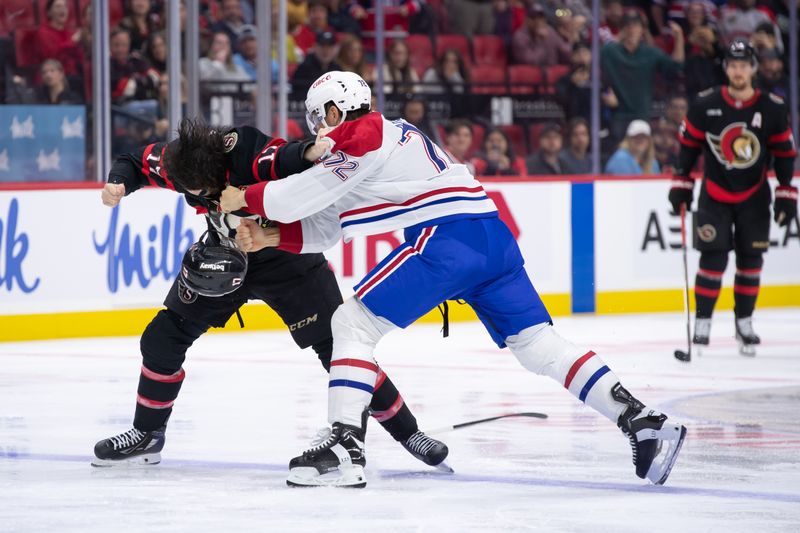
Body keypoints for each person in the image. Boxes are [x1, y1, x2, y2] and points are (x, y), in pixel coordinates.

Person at [218, 71, 687, 488]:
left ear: (337, 108)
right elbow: (328, 220)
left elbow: (298, 194)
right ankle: (639, 419)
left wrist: (244, 196)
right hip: (490, 237)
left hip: (448, 239)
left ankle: (344, 447)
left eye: (319, 118)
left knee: (352, 325)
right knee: (537, 344)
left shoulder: (365, 130)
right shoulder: (375, 146)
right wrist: (270, 237)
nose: (317, 131)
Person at [91, 119, 449, 469]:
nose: (204, 198)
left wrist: (311, 150)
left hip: (287, 257)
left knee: (339, 349)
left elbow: (283, 157)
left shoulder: (244, 150)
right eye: (196, 194)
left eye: (207, 190)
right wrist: (117, 185)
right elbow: (134, 161)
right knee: (162, 339)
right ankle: (146, 434)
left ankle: (410, 434)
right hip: (223, 257)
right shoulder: (177, 161)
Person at [668, 39, 797, 356]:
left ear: (752, 69)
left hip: (754, 197)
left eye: (744, 65)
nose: (738, 71)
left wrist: (786, 191)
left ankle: (744, 322)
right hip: (715, 194)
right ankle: (702, 323)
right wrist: (681, 183)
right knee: (712, 258)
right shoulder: (704, 104)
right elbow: (688, 148)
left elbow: (784, 153)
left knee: (751, 261)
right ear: (726, 69)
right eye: (733, 66)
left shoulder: (773, 108)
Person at [600, 10, 685, 142]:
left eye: (636, 26)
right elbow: (595, 66)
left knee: (641, 155)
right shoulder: (610, 51)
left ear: (642, 30)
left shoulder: (650, 53)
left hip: (641, 114)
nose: (632, 30)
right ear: (622, 29)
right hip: (618, 114)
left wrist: (679, 37)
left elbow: (675, 67)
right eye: (628, 26)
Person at [110, 28, 160, 104]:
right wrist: (144, 82)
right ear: (110, 46)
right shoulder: (108, 65)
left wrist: (134, 83)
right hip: (118, 109)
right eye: (116, 45)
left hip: (143, 104)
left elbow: (155, 78)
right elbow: (123, 88)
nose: (120, 49)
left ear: (129, 45)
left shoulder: (136, 59)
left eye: (124, 45)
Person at [34, 0, 82, 77]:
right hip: (53, 76)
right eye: (58, 6)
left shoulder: (68, 33)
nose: (62, 9)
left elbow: (79, 58)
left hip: (71, 75)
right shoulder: (43, 32)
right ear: (49, 13)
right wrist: (72, 42)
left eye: (65, 6)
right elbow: (52, 57)